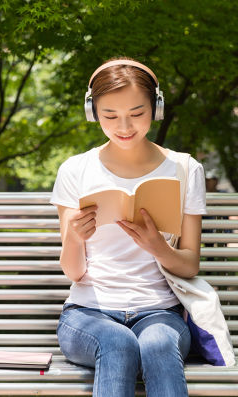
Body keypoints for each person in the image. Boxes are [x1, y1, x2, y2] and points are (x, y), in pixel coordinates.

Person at [50, 57, 207, 397]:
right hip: (87, 314)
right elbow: (74, 272)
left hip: (160, 313)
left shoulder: (184, 169)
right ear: (93, 111)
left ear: (157, 106)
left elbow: (191, 263)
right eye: (110, 116)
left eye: (137, 113)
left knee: (159, 344)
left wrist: (158, 247)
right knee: (117, 342)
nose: (124, 126)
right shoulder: (75, 170)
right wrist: (74, 238)